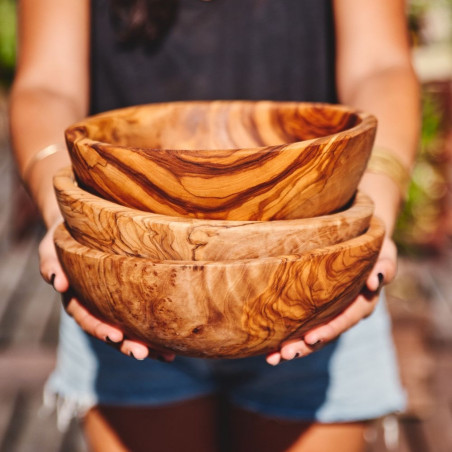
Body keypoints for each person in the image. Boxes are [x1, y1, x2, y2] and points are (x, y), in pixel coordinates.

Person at [9, 1, 420, 451]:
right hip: (130, 281)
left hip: (310, 280)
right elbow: (47, 83)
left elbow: (380, 64)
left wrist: (372, 212)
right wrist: (66, 213)